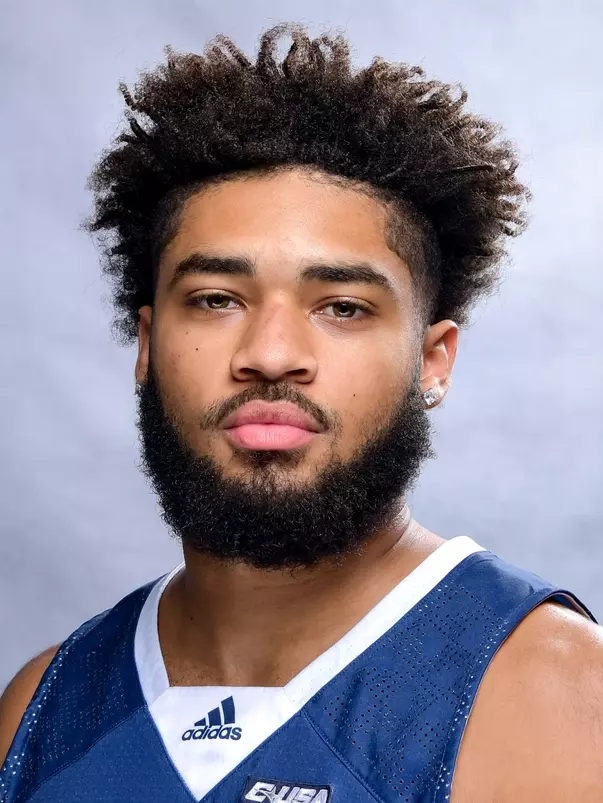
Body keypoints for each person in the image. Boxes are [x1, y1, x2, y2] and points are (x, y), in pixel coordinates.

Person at [0, 22, 601, 803]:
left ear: (432, 358)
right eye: (216, 299)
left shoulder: (552, 695)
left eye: (342, 306)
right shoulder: (41, 706)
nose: (272, 351)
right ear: (147, 343)